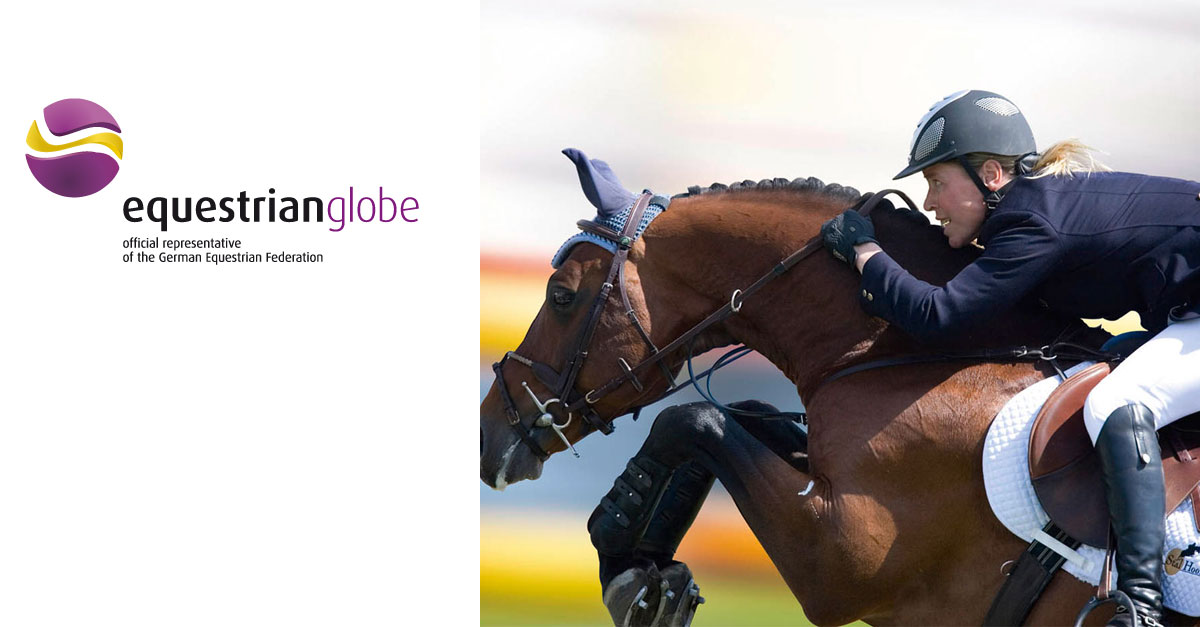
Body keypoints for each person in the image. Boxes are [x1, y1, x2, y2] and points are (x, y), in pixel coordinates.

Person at [820, 89, 1200, 627]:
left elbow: (938, 316)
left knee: (1117, 403)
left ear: (992, 175)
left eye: (937, 182)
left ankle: (1140, 606)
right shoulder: (1037, 209)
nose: (928, 202)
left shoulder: (1032, 222)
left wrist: (865, 253)